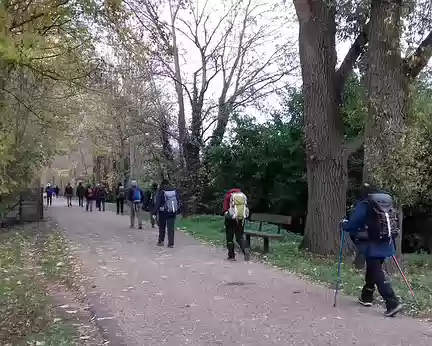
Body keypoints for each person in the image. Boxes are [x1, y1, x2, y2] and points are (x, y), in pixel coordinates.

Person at [342, 184, 402, 317]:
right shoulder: (387, 202)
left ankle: (392, 302)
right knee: (373, 268)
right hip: (386, 242)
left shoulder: (366, 203)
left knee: (377, 271)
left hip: (371, 243)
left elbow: (354, 223)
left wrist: (345, 225)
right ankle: (367, 296)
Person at [223, 186, 250, 261]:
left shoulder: (228, 196)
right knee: (239, 237)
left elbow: (225, 209)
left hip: (230, 219)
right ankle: (245, 250)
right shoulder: (242, 195)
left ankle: (231, 256)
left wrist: (226, 214)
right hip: (241, 219)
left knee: (229, 238)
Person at [153, 179, 180, 248]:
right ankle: (171, 243)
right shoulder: (174, 191)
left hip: (163, 212)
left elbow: (158, 203)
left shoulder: (161, 191)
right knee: (171, 228)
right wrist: (177, 211)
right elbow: (178, 201)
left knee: (162, 227)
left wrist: (154, 213)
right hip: (172, 212)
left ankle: (161, 241)